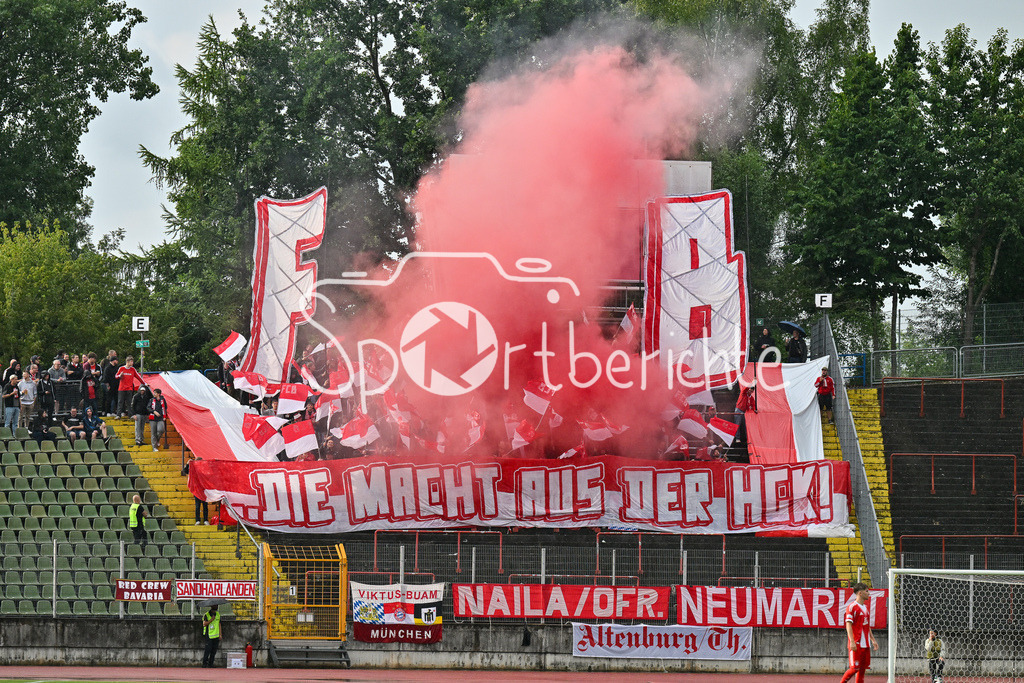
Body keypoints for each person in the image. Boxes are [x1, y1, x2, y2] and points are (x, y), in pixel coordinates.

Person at [840, 582, 878, 683]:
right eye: (867, 591)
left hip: (865, 645)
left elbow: (867, 626)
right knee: (854, 668)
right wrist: (852, 641)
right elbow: (848, 624)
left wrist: (873, 640)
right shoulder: (852, 607)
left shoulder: (865, 608)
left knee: (862, 671)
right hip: (856, 643)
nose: (869, 593)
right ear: (860, 593)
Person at [182, 454, 209, 525]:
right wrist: (187, 464)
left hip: (203, 489)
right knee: (198, 506)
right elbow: (185, 471)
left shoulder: (204, 469)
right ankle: (198, 520)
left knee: (205, 505)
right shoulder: (193, 469)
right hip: (197, 489)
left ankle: (206, 520)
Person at [201, 603, 221, 667]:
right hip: (209, 635)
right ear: (211, 606)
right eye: (215, 605)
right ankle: (204, 663)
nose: (216, 606)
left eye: (217, 605)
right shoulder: (206, 615)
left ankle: (211, 664)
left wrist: (220, 634)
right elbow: (204, 624)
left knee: (214, 651)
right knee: (208, 650)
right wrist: (211, 620)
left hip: (216, 635)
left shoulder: (218, 614)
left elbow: (219, 624)